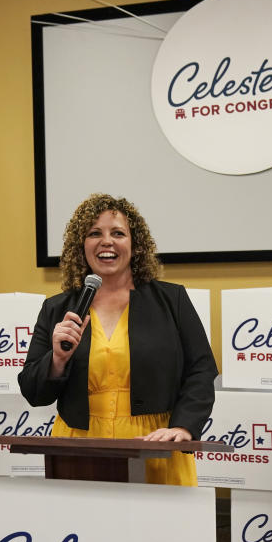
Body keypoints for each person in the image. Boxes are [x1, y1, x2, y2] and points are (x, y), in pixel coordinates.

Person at [17, 193, 217, 486]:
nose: (106, 241)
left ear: (135, 245)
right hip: (78, 450)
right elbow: (34, 392)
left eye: (118, 233)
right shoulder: (57, 308)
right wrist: (57, 360)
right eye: (94, 233)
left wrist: (184, 427)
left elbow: (200, 370)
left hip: (153, 445)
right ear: (80, 246)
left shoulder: (171, 300)